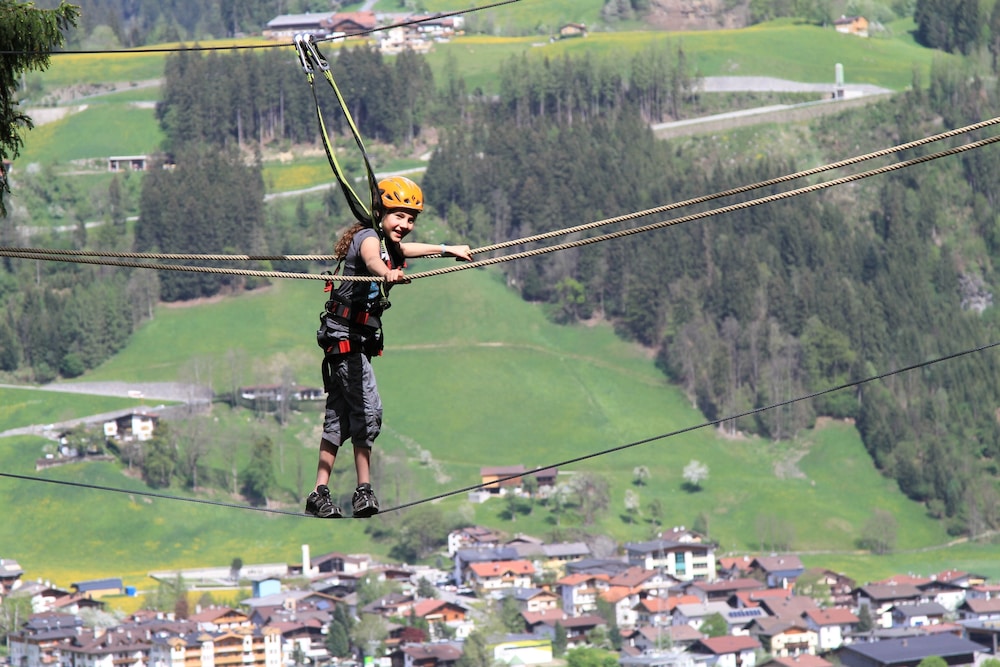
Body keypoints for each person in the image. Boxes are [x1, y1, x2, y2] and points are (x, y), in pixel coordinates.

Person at [305, 176, 473, 518]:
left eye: (410, 219)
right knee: (367, 411)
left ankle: (318, 492)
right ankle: (363, 491)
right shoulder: (369, 239)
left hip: (345, 340)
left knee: (339, 416)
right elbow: (372, 260)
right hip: (346, 341)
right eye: (398, 216)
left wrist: (447, 249)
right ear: (380, 212)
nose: (406, 225)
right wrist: (387, 273)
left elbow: (404, 250)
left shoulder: (384, 242)